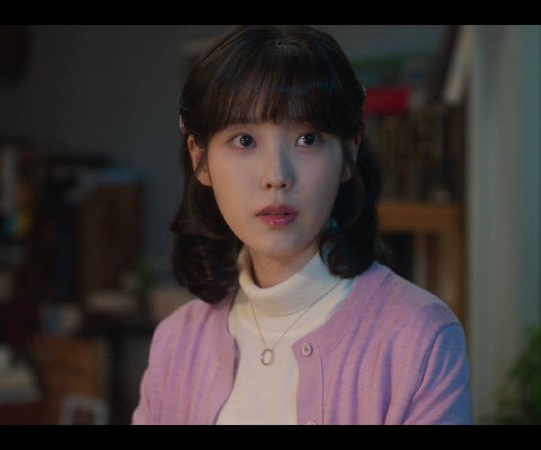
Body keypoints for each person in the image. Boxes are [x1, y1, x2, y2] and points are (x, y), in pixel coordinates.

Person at [132, 25, 472, 425]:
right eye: (244, 141)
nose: (276, 176)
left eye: (307, 139)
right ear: (200, 159)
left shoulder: (419, 338)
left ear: (348, 155)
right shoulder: (177, 342)